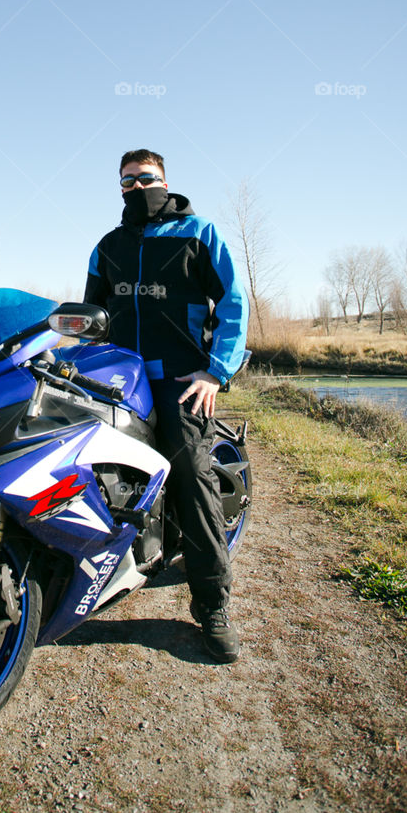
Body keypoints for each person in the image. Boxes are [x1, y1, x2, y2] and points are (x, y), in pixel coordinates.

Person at [83, 148, 250, 662]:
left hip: (181, 382)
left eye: (145, 179)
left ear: (165, 180)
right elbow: (92, 315)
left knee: (190, 478)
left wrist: (215, 372)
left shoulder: (200, 233)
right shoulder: (107, 246)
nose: (137, 187)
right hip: (119, 382)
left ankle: (212, 604)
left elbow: (234, 305)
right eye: (127, 181)